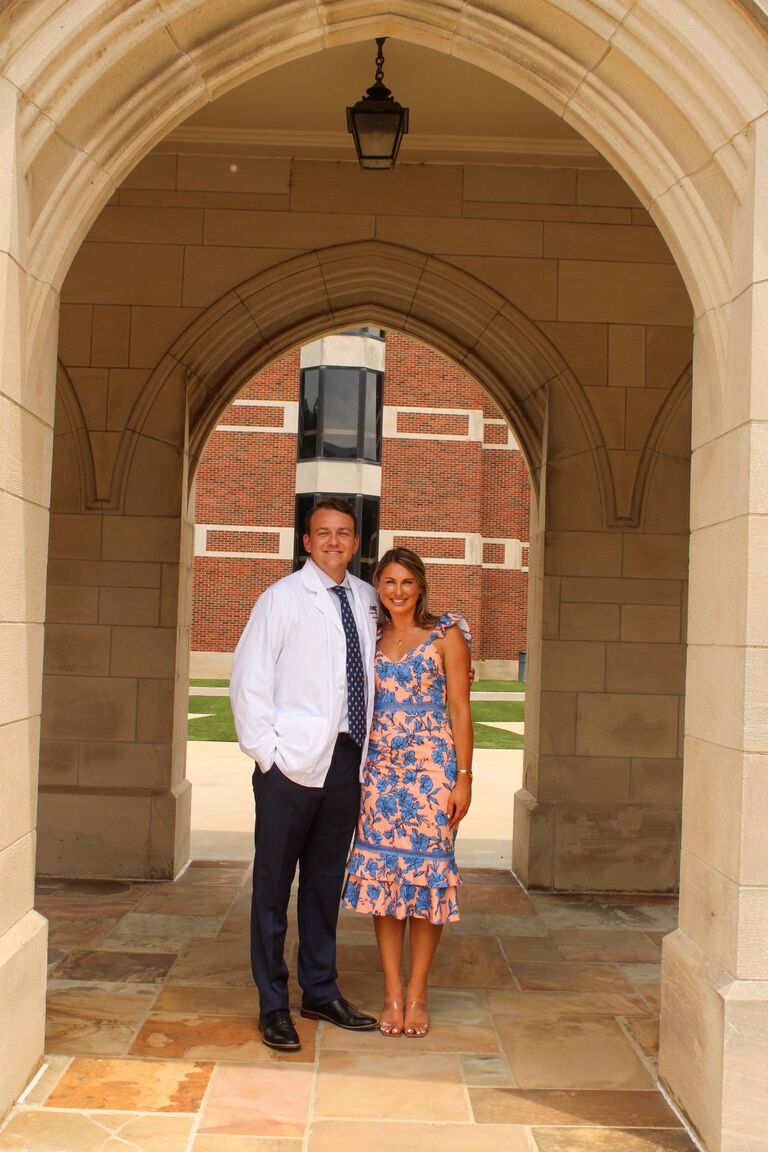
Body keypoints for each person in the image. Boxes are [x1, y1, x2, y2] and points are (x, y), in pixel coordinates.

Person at [230, 498, 379, 1051]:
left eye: (344, 533)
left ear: (356, 542)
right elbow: (248, 682)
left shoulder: (367, 601)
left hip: (346, 763)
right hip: (289, 766)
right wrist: (267, 756)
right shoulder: (281, 600)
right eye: (323, 534)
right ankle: (273, 1003)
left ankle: (319, 990)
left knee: (322, 886)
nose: (334, 542)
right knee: (272, 887)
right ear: (306, 542)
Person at [342, 547, 473, 1038]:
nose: (397, 591)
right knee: (384, 881)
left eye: (406, 583)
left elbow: (460, 710)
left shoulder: (446, 634)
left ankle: (418, 992)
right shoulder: (370, 636)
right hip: (378, 772)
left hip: (432, 774)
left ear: (421, 587)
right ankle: (392, 993)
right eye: (389, 582)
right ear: (379, 585)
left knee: (427, 880)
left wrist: (463, 777)